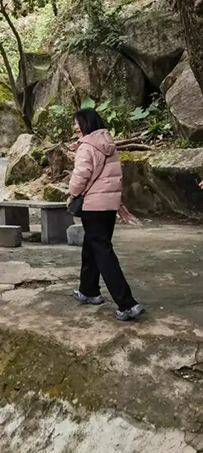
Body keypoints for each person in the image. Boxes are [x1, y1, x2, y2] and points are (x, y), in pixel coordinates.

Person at [67, 108, 145, 322]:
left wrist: (72, 194)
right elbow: (115, 177)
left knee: (103, 252)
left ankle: (128, 304)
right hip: (109, 206)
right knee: (92, 246)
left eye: (77, 123)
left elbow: (81, 175)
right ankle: (88, 290)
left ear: (86, 123)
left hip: (93, 206)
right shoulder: (107, 143)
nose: (75, 127)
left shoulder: (87, 146)